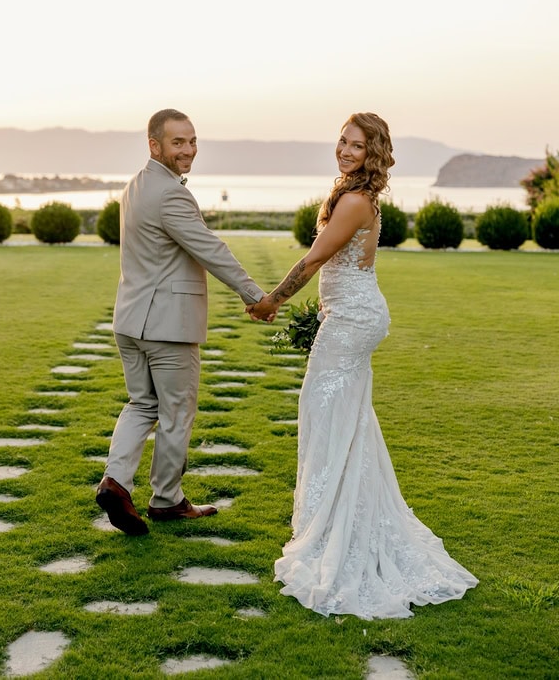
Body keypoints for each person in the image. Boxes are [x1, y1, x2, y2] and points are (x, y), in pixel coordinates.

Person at [248, 112, 478, 619]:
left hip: (352, 320)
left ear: (372, 153)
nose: (345, 150)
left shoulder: (354, 201)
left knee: (324, 411)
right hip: (352, 313)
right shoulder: (360, 197)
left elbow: (311, 261)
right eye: (342, 141)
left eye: (356, 145)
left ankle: (332, 532)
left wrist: (271, 302)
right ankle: (338, 521)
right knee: (345, 419)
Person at [96, 108, 268, 535]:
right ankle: (167, 500)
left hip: (130, 321)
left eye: (192, 141)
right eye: (178, 142)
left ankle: (115, 482)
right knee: (176, 413)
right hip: (166, 326)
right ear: (154, 145)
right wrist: (257, 296)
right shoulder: (171, 194)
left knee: (142, 404)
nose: (188, 149)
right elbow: (210, 249)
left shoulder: (135, 186)